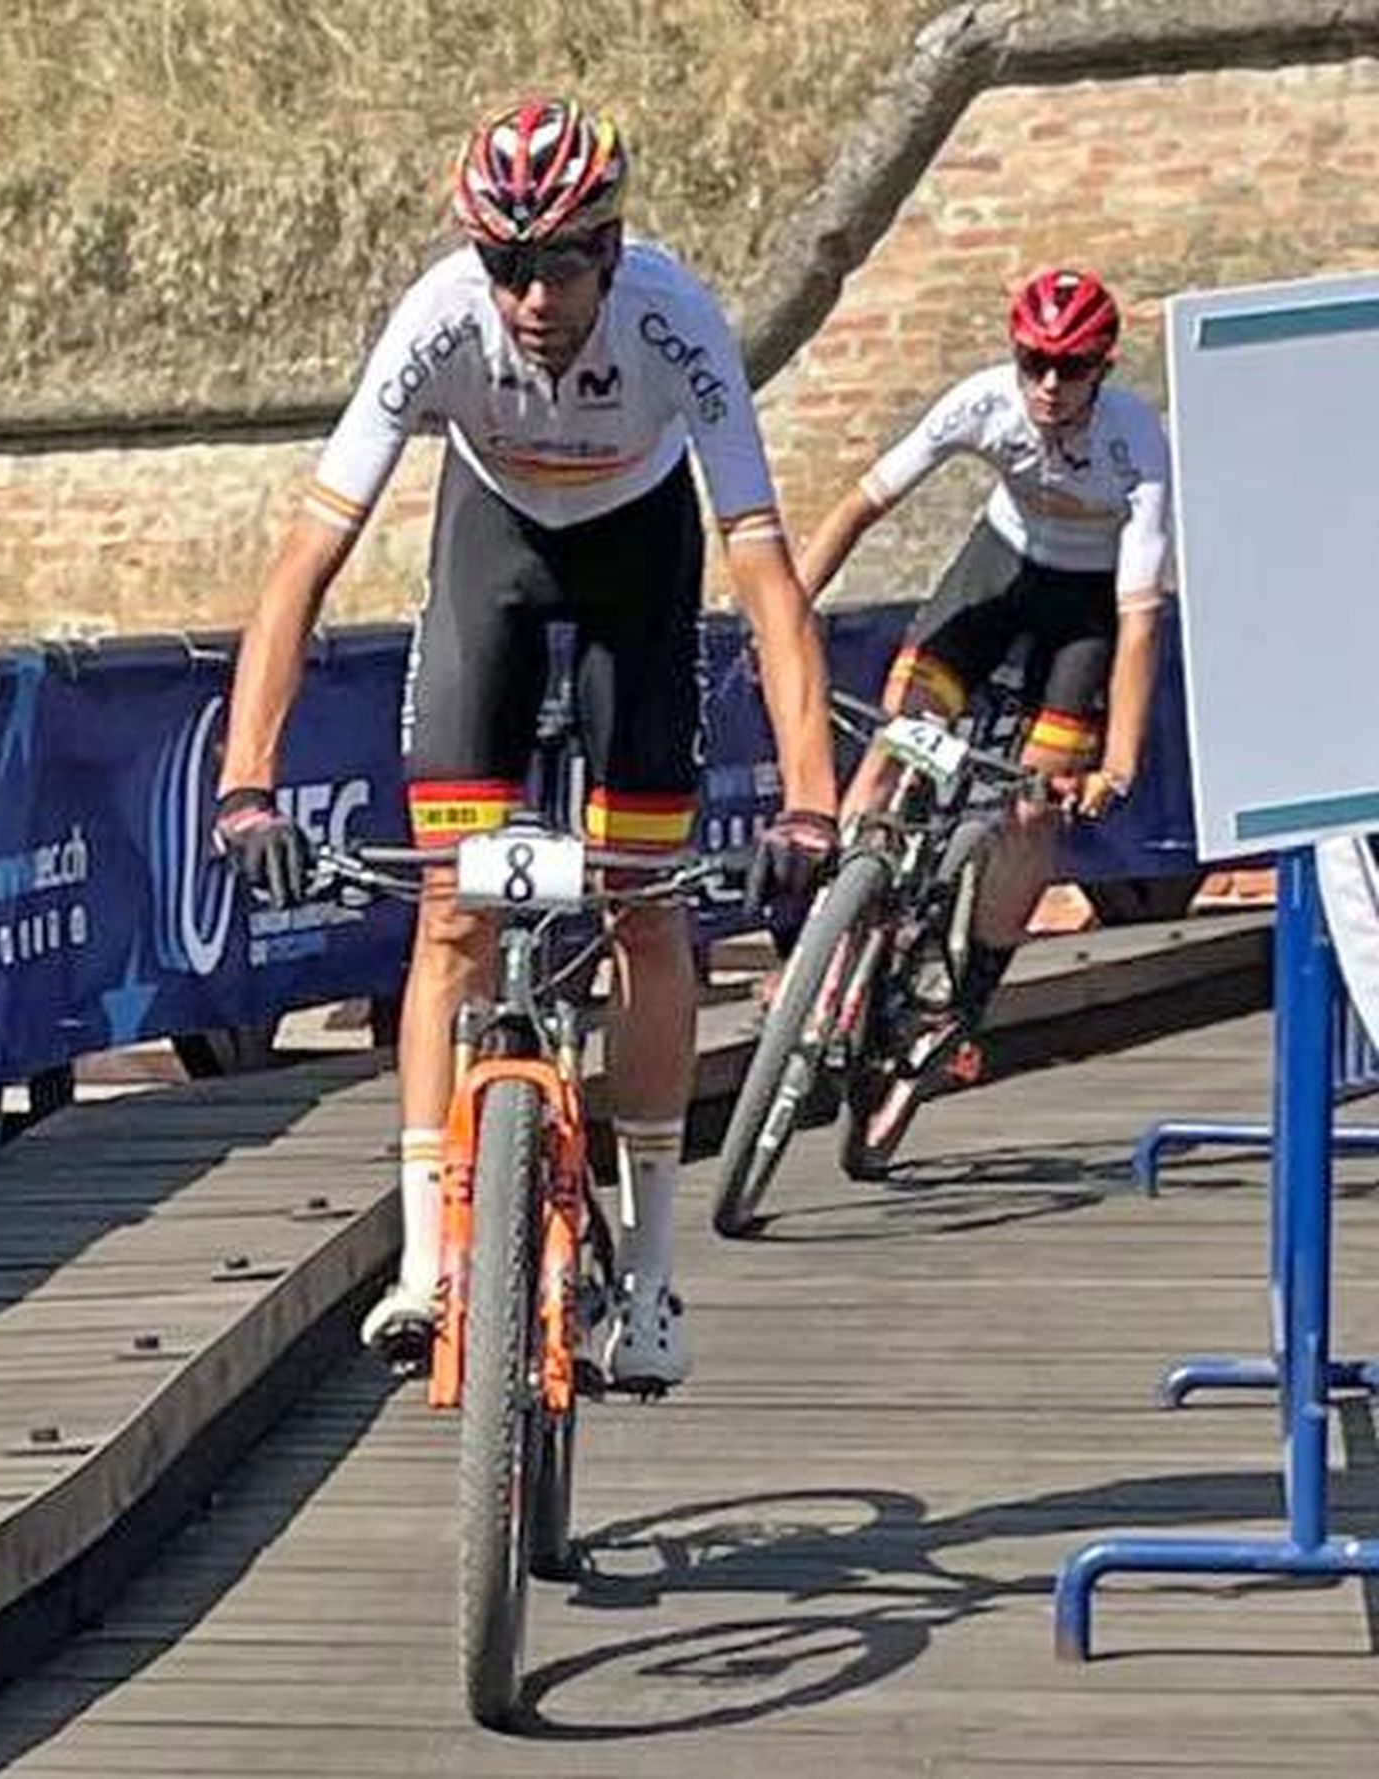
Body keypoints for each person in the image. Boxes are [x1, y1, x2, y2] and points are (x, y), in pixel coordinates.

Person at [212, 96, 837, 1387]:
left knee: (644, 908)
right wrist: (245, 786)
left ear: (611, 249)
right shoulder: (441, 319)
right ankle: (432, 1257)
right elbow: (300, 566)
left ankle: (654, 1276)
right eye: (507, 264)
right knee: (450, 911)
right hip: (491, 547)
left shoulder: (677, 322)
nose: (532, 295)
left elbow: (768, 578)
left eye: (559, 262)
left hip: (636, 558)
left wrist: (811, 804)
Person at [797, 267, 1172, 1167]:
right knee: (899, 731)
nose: (1049, 385)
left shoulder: (1135, 445)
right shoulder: (984, 405)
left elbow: (1137, 622)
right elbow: (860, 503)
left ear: (1103, 368)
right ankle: (822, 942)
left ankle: (960, 997)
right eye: (1034, 362)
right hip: (1000, 568)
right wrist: (786, 608)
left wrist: (1116, 762)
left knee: (1035, 808)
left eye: (1072, 368)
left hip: (1086, 604)